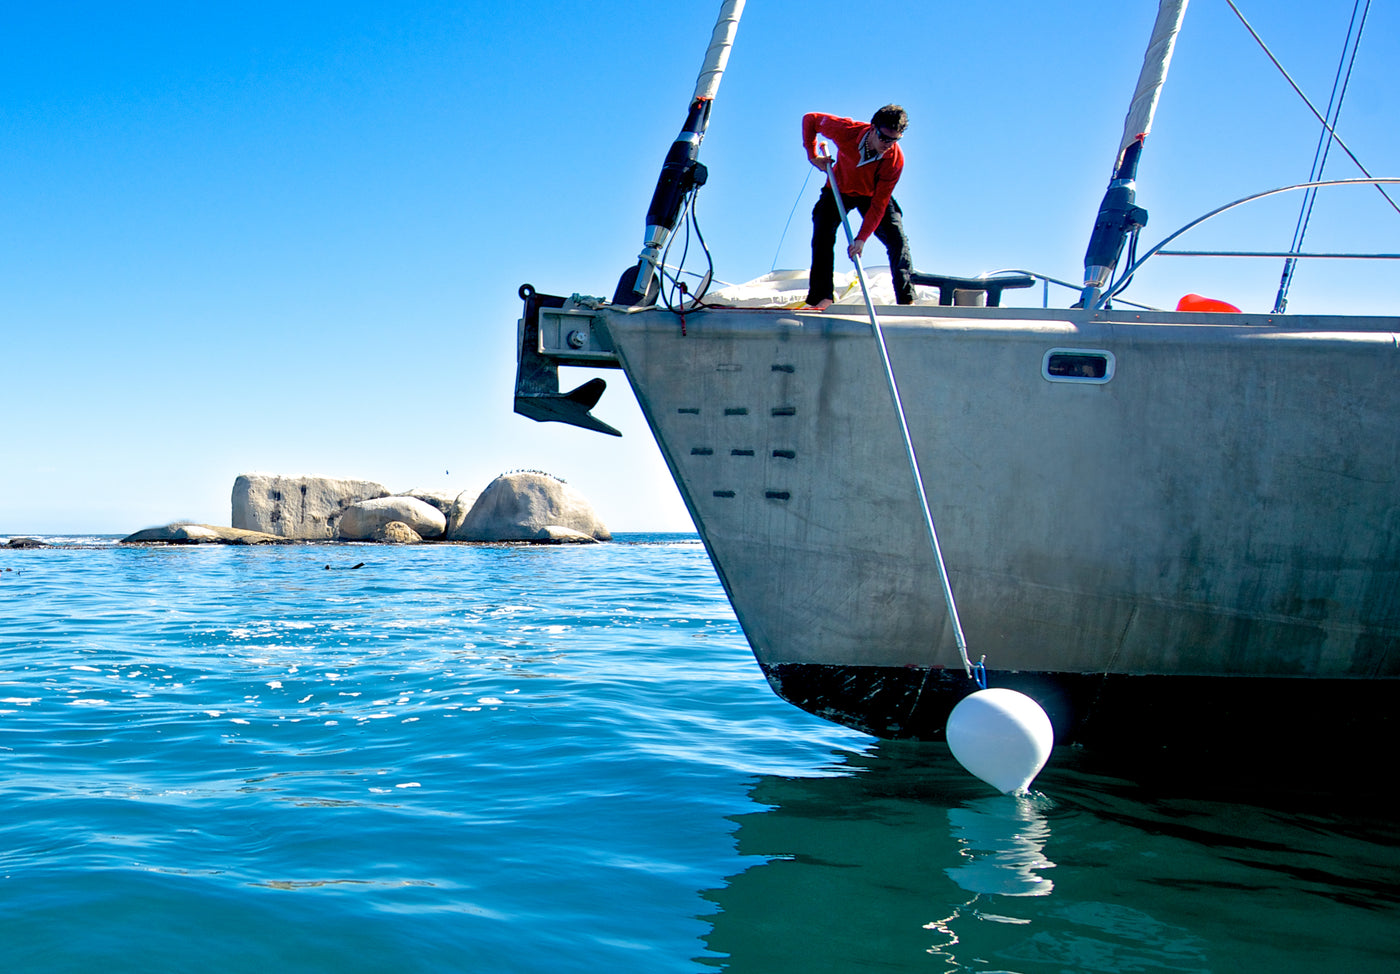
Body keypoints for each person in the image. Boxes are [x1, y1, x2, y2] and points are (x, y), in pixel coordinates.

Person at [802, 105, 915, 309]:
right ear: (873, 129)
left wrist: (861, 238)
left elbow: (880, 203)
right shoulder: (846, 130)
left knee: (897, 238)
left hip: (871, 195)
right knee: (822, 232)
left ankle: (906, 300)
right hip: (839, 188)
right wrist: (813, 156)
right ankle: (822, 297)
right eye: (884, 138)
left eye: (895, 140)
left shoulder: (895, 160)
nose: (888, 145)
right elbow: (810, 119)